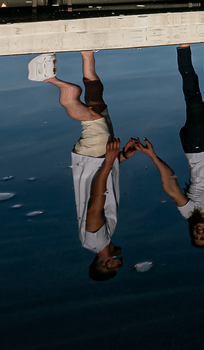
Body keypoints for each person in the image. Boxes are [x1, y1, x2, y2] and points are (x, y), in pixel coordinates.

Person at [28, 51, 138, 280]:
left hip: (96, 159)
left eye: (116, 266)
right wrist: (122, 158)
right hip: (98, 161)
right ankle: (86, 52)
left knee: (90, 115)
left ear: (106, 264)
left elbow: (96, 202)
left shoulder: (96, 240)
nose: (121, 262)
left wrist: (108, 163)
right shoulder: (97, 241)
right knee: (97, 100)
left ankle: (49, 80)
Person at [133, 42, 204, 248]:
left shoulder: (189, 212)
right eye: (202, 237)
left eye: (195, 236)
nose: (198, 233)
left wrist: (153, 156)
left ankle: (183, 47)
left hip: (195, 143)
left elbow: (171, 186)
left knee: (192, 94)